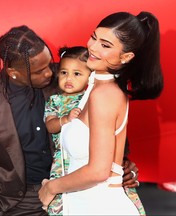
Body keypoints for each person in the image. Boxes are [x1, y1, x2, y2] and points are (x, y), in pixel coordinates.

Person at [0, 25, 141, 216]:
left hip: (73, 189)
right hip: (21, 202)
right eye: (39, 71)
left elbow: (105, 118)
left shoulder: (68, 74)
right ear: (13, 72)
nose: (50, 73)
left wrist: (121, 165)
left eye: (49, 64)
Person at [39, 11, 163, 215]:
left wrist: (51, 187)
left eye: (105, 45)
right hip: (85, 204)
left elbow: (98, 171)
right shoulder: (94, 85)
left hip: (100, 206)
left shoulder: (105, 95)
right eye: (94, 37)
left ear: (126, 57)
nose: (92, 47)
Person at [44, 46, 91, 215]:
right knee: (61, 202)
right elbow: (50, 126)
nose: (68, 78)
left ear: (89, 76)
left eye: (77, 74)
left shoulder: (92, 97)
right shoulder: (55, 100)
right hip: (63, 158)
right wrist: (65, 119)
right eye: (64, 72)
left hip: (90, 156)